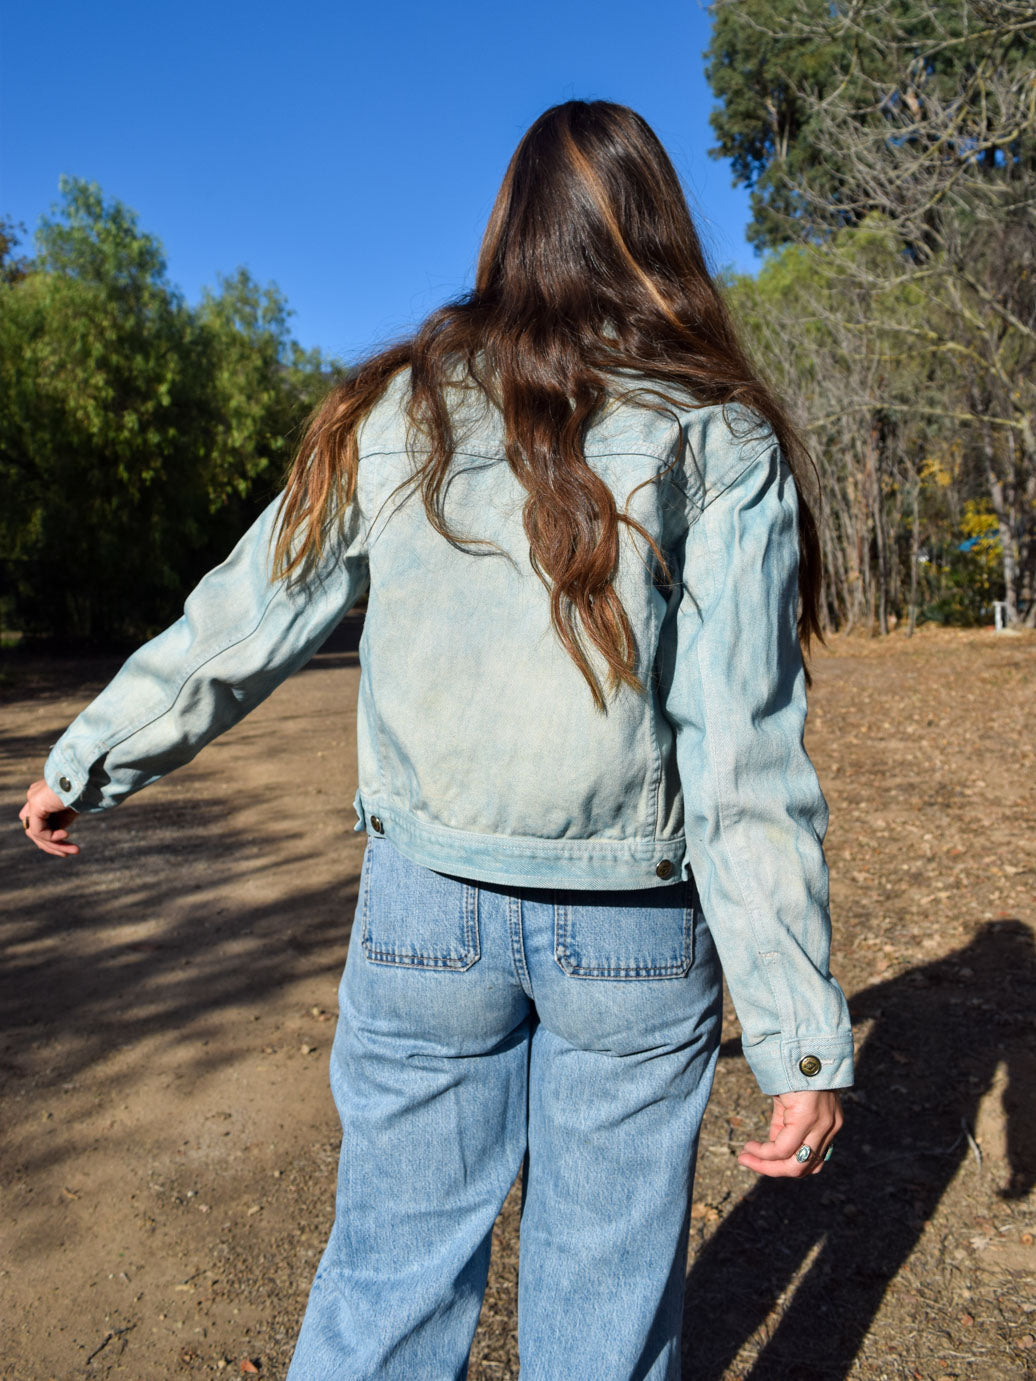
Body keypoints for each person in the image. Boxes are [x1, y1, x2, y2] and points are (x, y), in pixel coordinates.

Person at [20, 100, 852, 1380]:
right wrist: (797, 1031)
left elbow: (246, 614)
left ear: (506, 233)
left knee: (390, 1277)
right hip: (632, 931)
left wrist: (96, 755)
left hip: (425, 918)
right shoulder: (717, 433)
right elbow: (742, 754)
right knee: (605, 1296)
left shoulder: (397, 407)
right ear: (656, 236)